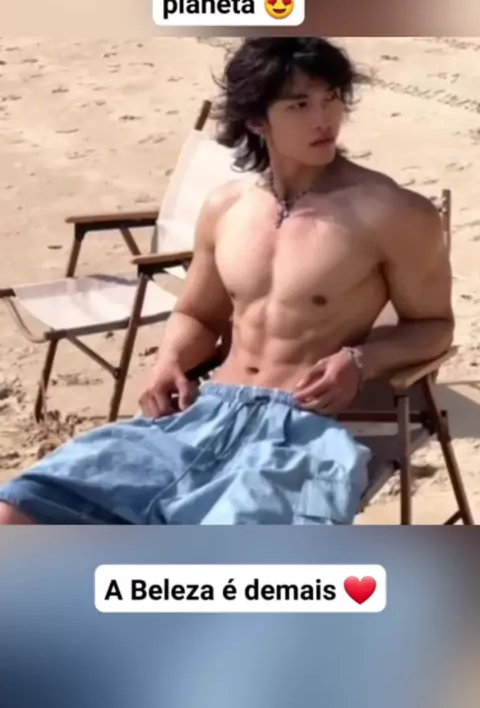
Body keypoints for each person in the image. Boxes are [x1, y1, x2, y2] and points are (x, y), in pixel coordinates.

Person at [0, 37, 454, 525]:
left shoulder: (392, 212)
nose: (324, 119)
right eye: (300, 105)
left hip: (299, 433)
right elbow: (199, 313)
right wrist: (171, 360)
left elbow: (435, 326)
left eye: (331, 99)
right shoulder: (227, 207)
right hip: (201, 413)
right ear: (257, 120)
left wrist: (361, 361)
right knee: (17, 513)